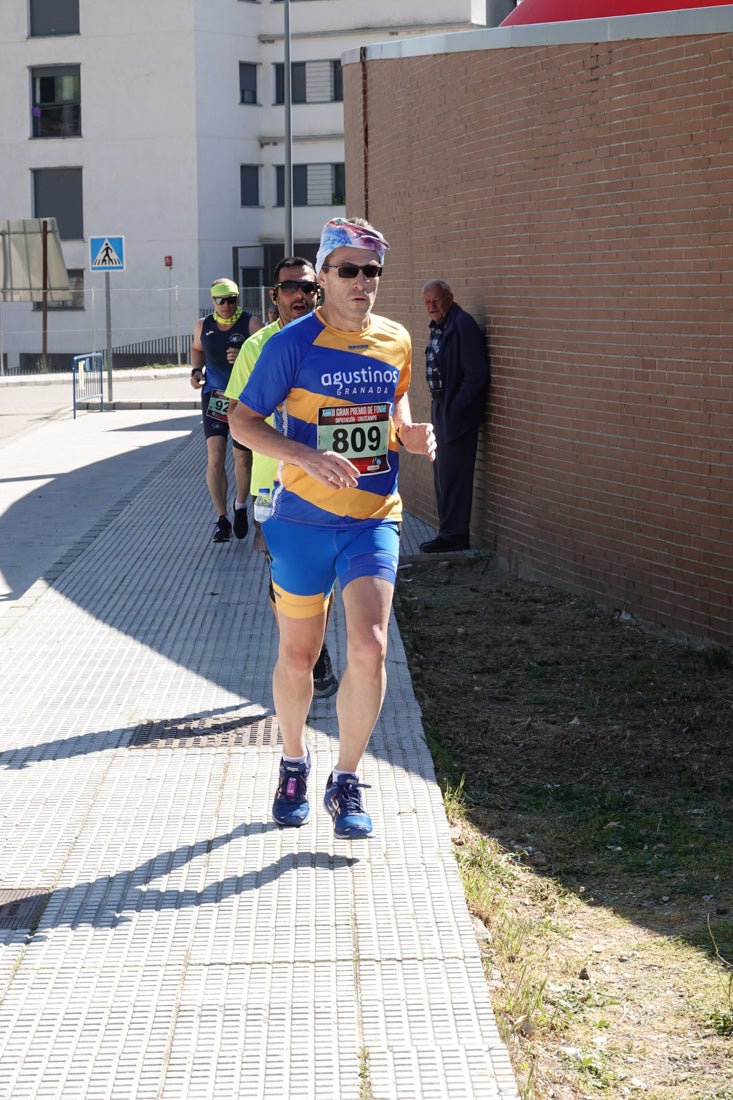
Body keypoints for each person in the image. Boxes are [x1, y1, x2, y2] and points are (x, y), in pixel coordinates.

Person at [229, 217, 436, 838]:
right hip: (300, 522)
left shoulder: (396, 339)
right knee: (300, 655)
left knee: (369, 647)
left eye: (371, 271)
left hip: (373, 516)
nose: (361, 282)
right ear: (322, 277)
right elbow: (241, 422)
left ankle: (346, 780)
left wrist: (407, 430)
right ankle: (294, 760)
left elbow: (394, 398)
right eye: (347, 270)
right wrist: (304, 456)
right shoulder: (289, 344)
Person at [225, 256, 339, 699]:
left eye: (307, 287)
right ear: (274, 296)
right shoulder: (259, 347)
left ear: (319, 290)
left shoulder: (335, 340)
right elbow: (238, 415)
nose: (300, 295)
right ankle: (312, 655)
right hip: (275, 488)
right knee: (284, 578)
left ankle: (311, 649)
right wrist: (243, 482)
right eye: (290, 287)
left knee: (322, 576)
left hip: (328, 484)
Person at [190, 278, 263, 543]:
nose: (226, 305)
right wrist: (196, 370)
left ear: (238, 299)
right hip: (214, 396)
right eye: (220, 300)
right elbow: (197, 350)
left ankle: (241, 505)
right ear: (212, 301)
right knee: (216, 455)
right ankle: (221, 519)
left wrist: (246, 354)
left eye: (231, 299)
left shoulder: (252, 325)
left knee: (242, 458)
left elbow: (268, 356)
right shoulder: (203, 326)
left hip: (243, 399)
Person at [419, 279, 489, 553]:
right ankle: (447, 531)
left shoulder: (462, 325)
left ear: (449, 297)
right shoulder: (441, 325)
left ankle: (454, 535)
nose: (431, 307)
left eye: (436, 300)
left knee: (453, 476)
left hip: (456, 413)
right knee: (443, 474)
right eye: (427, 302)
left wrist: (455, 406)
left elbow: (476, 374)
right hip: (442, 408)